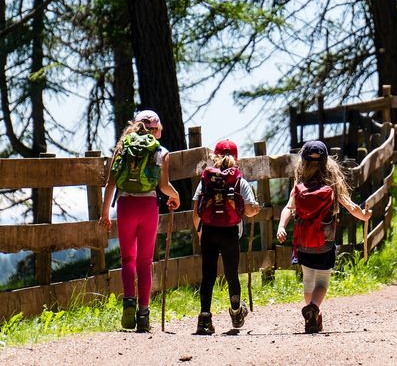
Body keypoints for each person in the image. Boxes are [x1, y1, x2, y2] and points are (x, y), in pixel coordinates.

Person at [276, 140, 372, 333]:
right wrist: (364, 215)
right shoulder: (332, 184)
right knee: (322, 282)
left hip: (303, 243)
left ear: (302, 162)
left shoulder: (299, 184)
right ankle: (314, 309)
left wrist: (281, 226)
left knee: (308, 280)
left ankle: (312, 317)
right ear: (326, 162)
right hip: (325, 243)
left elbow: (288, 207)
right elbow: (350, 206)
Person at [99, 110, 180, 332]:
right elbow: (163, 186)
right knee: (145, 262)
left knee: (128, 259)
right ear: (158, 129)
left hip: (125, 206)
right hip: (148, 208)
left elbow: (111, 184)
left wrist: (105, 213)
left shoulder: (122, 148)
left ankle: (128, 302)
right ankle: (143, 314)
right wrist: (176, 196)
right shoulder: (161, 152)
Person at [192, 139, 261, 335]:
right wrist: (255, 209)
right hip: (230, 232)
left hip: (209, 231)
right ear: (236, 158)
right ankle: (237, 312)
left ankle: (204, 318)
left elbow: (196, 211)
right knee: (231, 274)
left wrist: (200, 232)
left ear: (214, 157)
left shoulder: (206, 180)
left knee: (208, 276)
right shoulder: (240, 181)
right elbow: (248, 210)